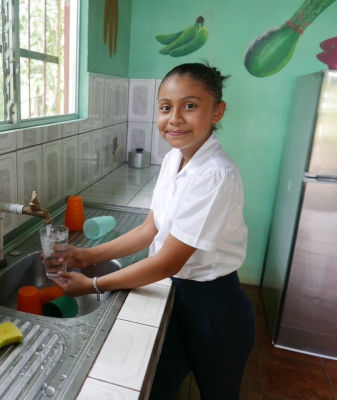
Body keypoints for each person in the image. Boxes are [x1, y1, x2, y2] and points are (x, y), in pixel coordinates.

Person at [47, 62, 255, 398]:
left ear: (217, 111)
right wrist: (86, 255)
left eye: (190, 106)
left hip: (214, 309)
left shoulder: (216, 174)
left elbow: (167, 262)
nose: (174, 118)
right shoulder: (175, 159)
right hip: (177, 296)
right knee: (154, 389)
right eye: (165, 107)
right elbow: (151, 229)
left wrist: (93, 284)